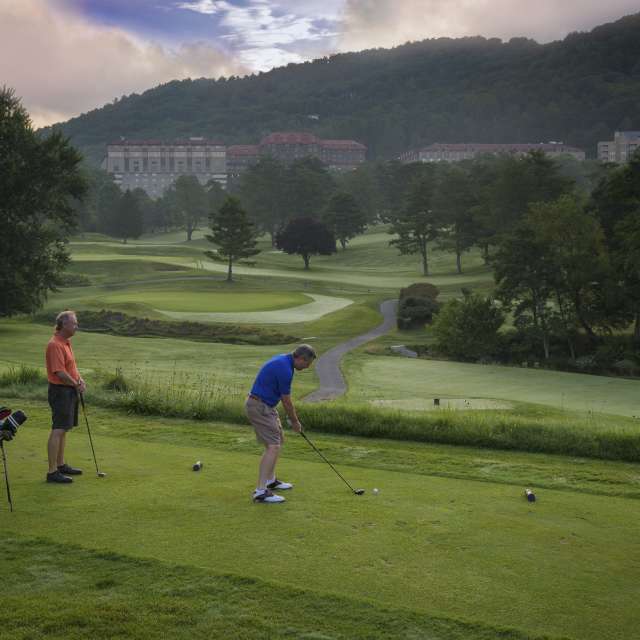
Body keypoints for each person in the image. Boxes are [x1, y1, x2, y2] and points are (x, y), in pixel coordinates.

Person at [245, 344, 316, 503]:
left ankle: (270, 481)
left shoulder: (285, 361)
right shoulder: (284, 369)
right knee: (273, 445)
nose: (306, 367)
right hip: (259, 406)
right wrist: (295, 422)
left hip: (266, 406)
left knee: (277, 441)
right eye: (307, 364)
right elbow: (286, 401)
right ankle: (260, 491)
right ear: (300, 358)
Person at [45, 310, 86, 484]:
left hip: (68, 390)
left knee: (64, 429)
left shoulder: (66, 342)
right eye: (74, 323)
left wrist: (80, 379)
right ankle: (52, 472)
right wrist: (75, 384)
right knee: (59, 429)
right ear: (64, 324)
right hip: (60, 391)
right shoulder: (55, 344)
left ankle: (60, 465)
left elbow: (70, 367)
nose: (76, 326)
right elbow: (59, 372)